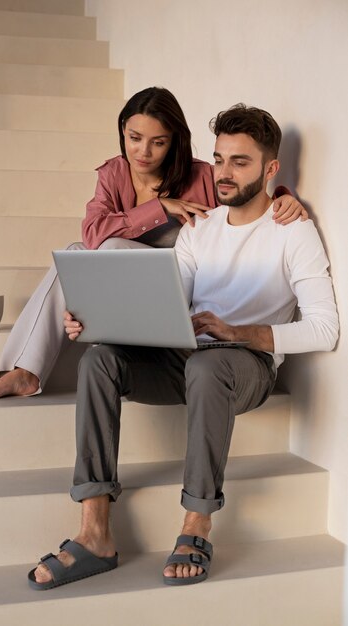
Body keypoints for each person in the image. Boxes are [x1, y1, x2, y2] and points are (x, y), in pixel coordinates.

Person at [27, 103, 338, 589]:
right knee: (99, 361)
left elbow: (325, 329)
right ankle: (94, 531)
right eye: (218, 160)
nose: (224, 174)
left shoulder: (292, 230)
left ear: (270, 169)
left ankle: (197, 524)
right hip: (187, 357)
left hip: (245, 365)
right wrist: (97, 321)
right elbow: (169, 305)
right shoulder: (201, 226)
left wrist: (240, 333)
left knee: (207, 370)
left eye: (240, 162)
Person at [0, 88, 306, 401]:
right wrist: (159, 208)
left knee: (109, 249)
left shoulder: (201, 175)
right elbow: (93, 233)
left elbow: (243, 203)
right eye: (134, 138)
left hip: (179, 287)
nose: (143, 152)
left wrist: (282, 196)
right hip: (130, 285)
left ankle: (101, 351)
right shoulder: (113, 174)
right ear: (122, 132)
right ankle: (26, 371)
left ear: (174, 141)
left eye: (158, 142)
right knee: (77, 253)